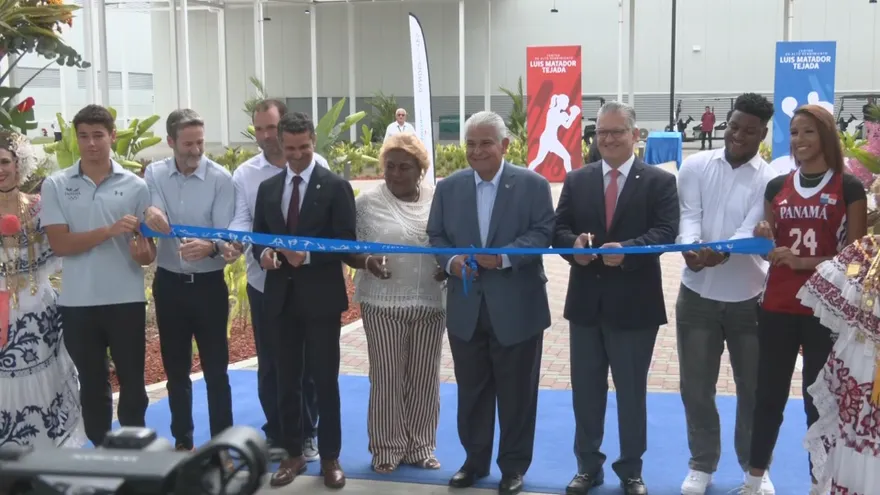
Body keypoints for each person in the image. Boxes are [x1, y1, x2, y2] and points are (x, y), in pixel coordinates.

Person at [552, 101, 679, 495]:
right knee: (586, 393)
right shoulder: (577, 179)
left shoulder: (659, 181)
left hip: (635, 305)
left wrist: (630, 249)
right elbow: (558, 230)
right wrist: (573, 246)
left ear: (634, 136)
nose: (607, 139)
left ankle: (631, 470)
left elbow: (665, 232)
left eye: (616, 132)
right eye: (601, 132)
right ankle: (588, 466)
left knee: (631, 393)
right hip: (586, 305)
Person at [741, 104, 868, 495]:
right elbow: (770, 251)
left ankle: (821, 482)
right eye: (794, 132)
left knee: (821, 399)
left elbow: (858, 259)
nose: (799, 140)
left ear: (826, 134)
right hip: (778, 304)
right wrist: (765, 239)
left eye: (808, 132)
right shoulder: (776, 187)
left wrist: (803, 261)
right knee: (768, 397)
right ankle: (754, 479)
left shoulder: (848, 188)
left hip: (826, 311)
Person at [427, 110, 555, 495]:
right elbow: (436, 236)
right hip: (467, 310)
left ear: (505, 145)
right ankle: (475, 461)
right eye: (470, 144)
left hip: (517, 308)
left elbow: (543, 231)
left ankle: (513, 468)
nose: (476, 151)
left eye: (485, 143)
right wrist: (452, 263)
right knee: (472, 392)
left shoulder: (532, 185)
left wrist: (503, 256)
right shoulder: (449, 188)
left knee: (517, 395)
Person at [675, 93, 778, 495]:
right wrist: (692, 247)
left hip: (749, 298)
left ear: (762, 133)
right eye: (734, 126)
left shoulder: (770, 179)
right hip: (697, 295)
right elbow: (689, 214)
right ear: (727, 123)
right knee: (696, 386)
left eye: (749, 130)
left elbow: (751, 227)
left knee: (753, 388)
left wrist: (721, 251)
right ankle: (702, 463)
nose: (738, 135)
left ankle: (756, 467)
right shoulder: (696, 165)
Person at [251, 112, 356, 489]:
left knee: (325, 381)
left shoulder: (335, 186)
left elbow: (347, 243)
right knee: (287, 381)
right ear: (281, 144)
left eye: (304, 148)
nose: (297, 155)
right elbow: (259, 239)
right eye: (290, 149)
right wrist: (264, 255)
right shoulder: (267, 189)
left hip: (321, 301)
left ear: (314, 142)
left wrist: (307, 255)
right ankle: (294, 455)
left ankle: (330, 458)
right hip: (280, 300)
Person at [40, 104, 154, 447]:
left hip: (126, 299)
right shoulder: (56, 185)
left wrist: (143, 254)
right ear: (77, 139)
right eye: (84, 136)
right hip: (78, 303)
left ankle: (135, 452)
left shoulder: (136, 187)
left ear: (112, 137)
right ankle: (102, 452)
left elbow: (147, 252)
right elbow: (60, 243)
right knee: (92, 383)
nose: (91, 144)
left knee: (133, 383)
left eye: (98, 136)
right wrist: (108, 231)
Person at [228, 99, 329, 462]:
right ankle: (279, 431)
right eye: (258, 129)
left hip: (307, 283)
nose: (265, 136)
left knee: (307, 365)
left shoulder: (320, 166)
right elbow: (242, 221)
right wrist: (237, 242)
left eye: (271, 128)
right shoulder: (245, 174)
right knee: (271, 364)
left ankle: (307, 434)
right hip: (264, 283)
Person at [347, 133, 447, 473]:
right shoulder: (367, 204)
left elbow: (450, 241)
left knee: (424, 377)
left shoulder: (438, 200)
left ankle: (421, 445)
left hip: (432, 303)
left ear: (420, 169)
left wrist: (447, 268)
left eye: (405, 167)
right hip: (382, 303)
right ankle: (387, 447)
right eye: (390, 166)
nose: (396, 173)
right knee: (387, 378)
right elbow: (349, 248)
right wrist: (367, 262)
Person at [141, 109, 238, 451]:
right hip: (168, 286)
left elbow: (229, 235)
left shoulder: (221, 178)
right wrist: (149, 211)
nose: (196, 150)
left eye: (200, 142)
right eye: (188, 144)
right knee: (176, 372)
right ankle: (183, 441)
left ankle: (223, 445)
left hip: (209, 288)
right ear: (170, 142)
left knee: (216, 372)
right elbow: (148, 209)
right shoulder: (153, 174)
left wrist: (211, 246)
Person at [0, 131, 85, 449]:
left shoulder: (40, 207)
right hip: (0, 312)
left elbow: (65, 245)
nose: (1, 169)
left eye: (5, 161)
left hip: (38, 310)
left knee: (44, 379)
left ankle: (47, 451)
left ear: (18, 163)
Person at [796, 235, 880, 495]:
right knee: (857, 443)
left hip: (864, 366)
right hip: (863, 370)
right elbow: (828, 306)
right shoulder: (865, 252)